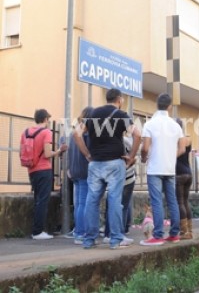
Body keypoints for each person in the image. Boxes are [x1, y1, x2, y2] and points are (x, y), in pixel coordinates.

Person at [74, 88, 141, 250]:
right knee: (114, 200)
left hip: (95, 163)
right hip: (115, 163)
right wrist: (131, 157)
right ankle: (115, 239)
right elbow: (137, 134)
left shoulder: (93, 114)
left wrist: (87, 154)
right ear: (120, 99)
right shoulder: (121, 115)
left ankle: (89, 239)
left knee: (92, 200)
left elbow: (76, 134)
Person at [140, 93, 184, 246]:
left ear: (156, 105)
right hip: (170, 169)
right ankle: (174, 234)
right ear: (170, 106)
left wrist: (144, 158)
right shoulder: (176, 125)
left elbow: (145, 147)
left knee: (157, 201)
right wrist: (172, 157)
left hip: (154, 168)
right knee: (173, 201)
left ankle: (157, 235)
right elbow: (182, 148)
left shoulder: (150, 124)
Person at [22, 109, 68, 240]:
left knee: (37, 199)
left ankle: (36, 230)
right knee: (42, 201)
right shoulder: (46, 132)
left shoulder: (26, 132)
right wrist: (59, 150)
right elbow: (48, 154)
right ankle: (38, 232)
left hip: (31, 169)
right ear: (46, 119)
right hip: (43, 169)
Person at [102, 132, 137, 243]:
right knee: (123, 206)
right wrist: (129, 163)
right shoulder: (125, 141)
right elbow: (133, 158)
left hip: (111, 178)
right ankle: (119, 234)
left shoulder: (104, 142)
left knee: (110, 205)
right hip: (127, 177)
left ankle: (108, 234)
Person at [67, 106, 93, 244]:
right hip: (84, 170)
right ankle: (80, 233)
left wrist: (69, 168)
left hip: (75, 171)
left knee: (78, 204)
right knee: (83, 203)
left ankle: (78, 230)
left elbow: (70, 152)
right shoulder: (87, 133)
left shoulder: (74, 131)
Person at [174, 118, 193, 239]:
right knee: (186, 201)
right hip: (188, 173)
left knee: (180, 202)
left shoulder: (175, 140)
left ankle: (184, 232)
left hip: (179, 174)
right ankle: (190, 230)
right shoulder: (188, 140)